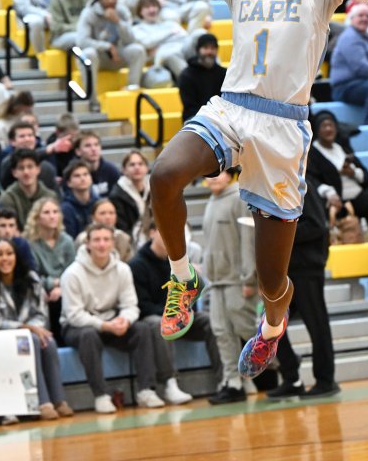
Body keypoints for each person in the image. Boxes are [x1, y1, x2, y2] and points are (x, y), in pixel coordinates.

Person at [137, 0, 368, 382]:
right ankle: (182, 278)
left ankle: (274, 323)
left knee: (271, 275)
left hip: (284, 127)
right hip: (231, 108)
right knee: (164, 175)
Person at [61, 222, 165, 412]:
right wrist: (104, 325)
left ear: (113, 243)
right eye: (97, 240)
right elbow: (74, 315)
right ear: (88, 243)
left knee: (142, 329)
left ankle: (146, 391)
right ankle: (101, 395)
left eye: (106, 240)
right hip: (78, 326)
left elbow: (131, 305)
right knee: (88, 335)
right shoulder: (72, 274)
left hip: (112, 320)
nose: (102, 244)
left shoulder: (122, 270)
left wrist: (125, 320)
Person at [130, 222, 222, 404]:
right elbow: (142, 305)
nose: (170, 238)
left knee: (211, 320)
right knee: (161, 324)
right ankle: (169, 383)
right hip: (152, 317)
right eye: (164, 232)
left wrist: (185, 311)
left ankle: (225, 378)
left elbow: (190, 296)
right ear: (152, 233)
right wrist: (173, 315)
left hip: (181, 315)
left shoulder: (181, 263)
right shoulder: (137, 264)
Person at [266, 178, 339, 399]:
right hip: (287, 269)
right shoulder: (275, 188)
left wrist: (280, 233)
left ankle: (326, 380)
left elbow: (317, 225)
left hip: (307, 268)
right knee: (271, 325)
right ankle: (292, 378)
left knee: (317, 324)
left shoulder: (302, 186)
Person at [0, 237, 73, 420]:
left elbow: (41, 313)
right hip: (2, 339)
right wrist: (26, 329)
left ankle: (59, 400)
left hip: (32, 331)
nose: (5, 259)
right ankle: (42, 402)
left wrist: (35, 329)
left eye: (9, 253)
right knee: (31, 341)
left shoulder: (31, 279)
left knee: (47, 342)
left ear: (17, 256)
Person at [201, 168, 258, 404]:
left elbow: (248, 240)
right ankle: (233, 382)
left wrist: (249, 277)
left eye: (219, 172)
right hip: (217, 281)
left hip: (237, 279)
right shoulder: (211, 202)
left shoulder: (239, 199)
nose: (213, 176)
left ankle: (282, 364)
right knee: (222, 333)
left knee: (246, 329)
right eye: (209, 173)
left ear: (230, 174)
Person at [306, 110, 368, 243]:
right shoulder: (313, 153)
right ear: (317, 130)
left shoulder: (342, 148)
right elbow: (312, 180)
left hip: (358, 195)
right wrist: (329, 193)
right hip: (337, 200)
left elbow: (366, 176)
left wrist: (353, 172)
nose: (328, 129)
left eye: (331, 125)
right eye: (324, 126)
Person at [75, 0, 147, 109]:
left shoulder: (122, 11)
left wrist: (118, 22)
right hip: (98, 57)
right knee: (88, 54)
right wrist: (107, 46)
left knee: (138, 50)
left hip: (117, 56)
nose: (111, 0)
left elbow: (130, 39)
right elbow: (82, 41)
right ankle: (92, 101)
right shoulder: (88, 13)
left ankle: (131, 91)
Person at [24, 197, 76, 341]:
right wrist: (51, 284)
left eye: (55, 212)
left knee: (60, 300)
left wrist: (61, 287)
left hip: (65, 290)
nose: (52, 216)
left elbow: (73, 272)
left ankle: (63, 341)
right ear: (37, 217)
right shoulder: (30, 244)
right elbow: (31, 275)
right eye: (46, 212)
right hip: (38, 290)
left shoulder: (67, 241)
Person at [132, 0, 202, 79]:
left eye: (154, 6)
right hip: (167, 53)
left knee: (200, 34)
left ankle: (218, 75)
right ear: (140, 11)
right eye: (147, 7)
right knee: (170, 54)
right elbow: (147, 43)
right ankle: (193, 81)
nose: (152, 10)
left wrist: (158, 41)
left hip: (183, 48)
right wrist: (170, 33)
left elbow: (184, 36)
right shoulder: (137, 29)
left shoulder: (170, 23)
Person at [0, 149, 56, 230]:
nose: (26, 172)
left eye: (30, 167)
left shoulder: (50, 196)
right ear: (14, 172)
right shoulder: (7, 198)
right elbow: (10, 230)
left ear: (38, 169)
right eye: (21, 168)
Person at [0, 121, 60, 193]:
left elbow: (56, 195)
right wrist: (46, 150)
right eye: (22, 136)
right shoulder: (7, 163)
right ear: (12, 142)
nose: (27, 139)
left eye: (30, 135)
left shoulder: (47, 168)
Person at [177, 32, 227, 123]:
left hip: (220, 118)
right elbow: (190, 107)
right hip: (195, 118)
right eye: (205, 48)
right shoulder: (186, 75)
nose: (209, 52)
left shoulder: (224, 73)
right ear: (198, 50)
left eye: (213, 48)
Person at [108, 150, 151, 241]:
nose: (137, 167)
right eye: (132, 165)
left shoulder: (155, 188)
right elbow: (122, 227)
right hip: (130, 239)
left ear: (147, 168)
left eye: (140, 164)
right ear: (124, 170)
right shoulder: (117, 195)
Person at [75, 197, 133, 262]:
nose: (108, 217)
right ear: (93, 217)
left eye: (111, 213)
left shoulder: (123, 238)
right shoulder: (83, 238)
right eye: (102, 213)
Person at [0, 206, 38, 271]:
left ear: (16, 228)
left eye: (11, 225)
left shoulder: (21, 245)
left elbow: (31, 270)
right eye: (3, 226)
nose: (8, 231)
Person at [72, 131, 119, 198]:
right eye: (88, 146)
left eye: (96, 145)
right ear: (78, 151)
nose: (93, 149)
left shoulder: (111, 170)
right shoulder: (72, 172)